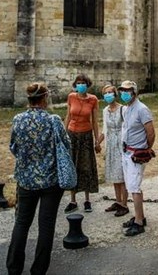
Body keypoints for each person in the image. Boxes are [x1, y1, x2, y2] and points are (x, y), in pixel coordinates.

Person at [7, 82, 69, 275]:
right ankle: (39, 270)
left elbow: (13, 147)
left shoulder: (18, 119)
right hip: (51, 181)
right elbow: (66, 145)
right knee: (46, 225)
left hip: (26, 181)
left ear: (29, 99)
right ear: (45, 98)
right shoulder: (54, 120)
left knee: (22, 223)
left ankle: (14, 268)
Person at [119, 80, 155, 237]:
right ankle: (139, 216)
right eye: (122, 90)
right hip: (126, 152)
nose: (124, 93)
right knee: (130, 185)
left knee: (134, 187)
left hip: (136, 154)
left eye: (127, 91)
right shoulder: (126, 109)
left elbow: (151, 132)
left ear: (134, 92)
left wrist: (146, 149)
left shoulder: (142, 109)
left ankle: (139, 223)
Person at [63, 73, 101, 213]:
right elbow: (68, 116)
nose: (81, 85)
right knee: (73, 165)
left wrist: (97, 140)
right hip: (72, 134)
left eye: (83, 83)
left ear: (88, 84)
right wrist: (63, 134)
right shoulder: (71, 97)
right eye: (78, 83)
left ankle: (87, 199)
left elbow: (95, 121)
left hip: (86, 135)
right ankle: (73, 200)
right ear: (75, 85)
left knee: (86, 166)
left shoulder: (93, 100)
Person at [101, 84, 129, 217]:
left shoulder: (122, 109)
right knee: (114, 174)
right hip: (111, 144)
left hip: (121, 143)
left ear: (115, 94)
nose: (108, 95)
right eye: (105, 93)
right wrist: (98, 142)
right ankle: (117, 201)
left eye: (110, 92)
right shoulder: (105, 110)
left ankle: (124, 204)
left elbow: (128, 127)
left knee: (122, 175)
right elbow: (104, 129)